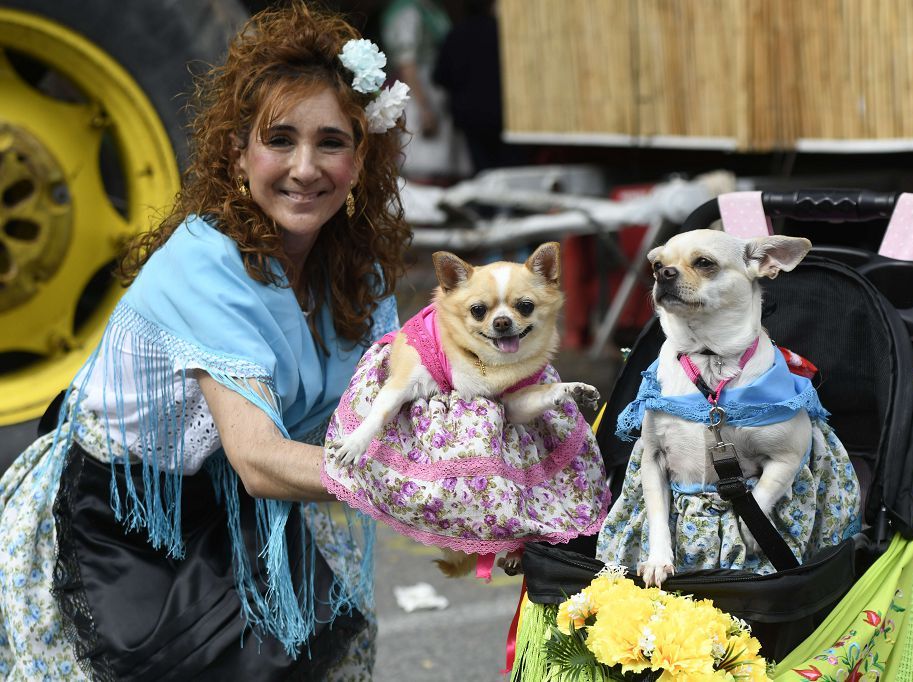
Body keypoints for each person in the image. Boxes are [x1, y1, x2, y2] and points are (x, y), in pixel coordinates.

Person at [0, 3, 411, 679]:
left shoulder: (358, 276)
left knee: (326, 649)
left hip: (234, 504)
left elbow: (398, 414)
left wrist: (498, 493)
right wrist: (425, 487)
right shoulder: (205, 263)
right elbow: (258, 458)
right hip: (123, 519)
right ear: (236, 152)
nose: (305, 168)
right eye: (279, 140)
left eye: (331, 142)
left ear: (361, 158)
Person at [379, 0, 471, 183]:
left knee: (442, 163)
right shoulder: (406, 12)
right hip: (419, 91)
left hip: (435, 91)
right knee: (423, 161)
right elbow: (407, 63)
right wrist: (425, 108)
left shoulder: (430, 9)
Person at [433, 0, 527, 174]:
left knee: (483, 172)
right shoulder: (504, 32)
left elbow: (440, 77)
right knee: (513, 171)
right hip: (507, 114)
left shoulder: (456, 33)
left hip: (471, 117)